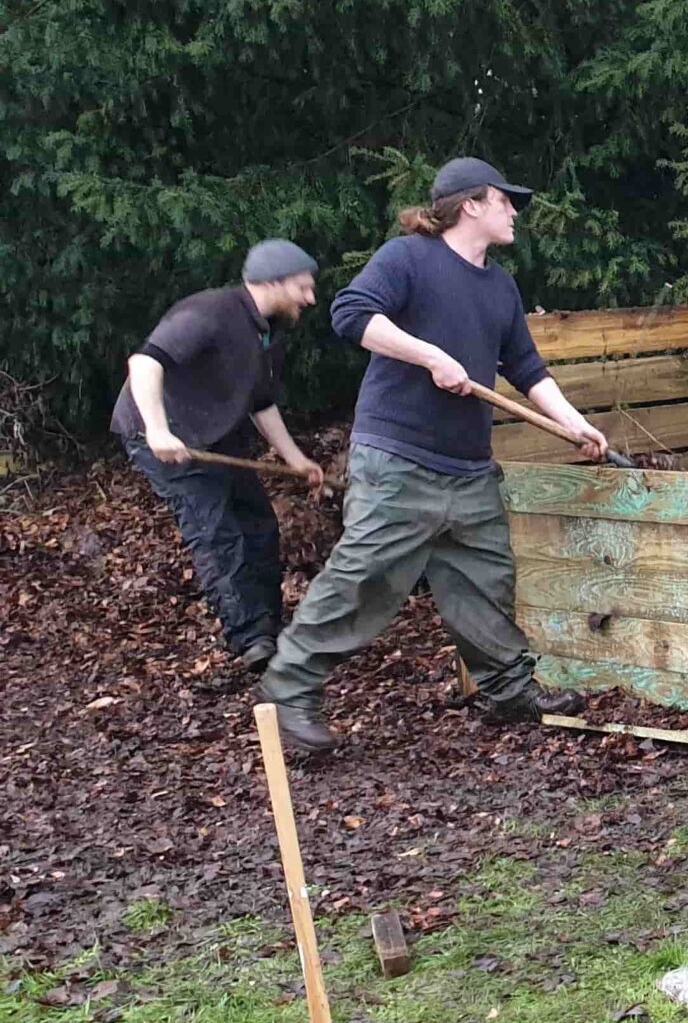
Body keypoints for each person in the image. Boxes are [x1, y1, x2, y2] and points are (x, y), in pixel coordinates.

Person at [257, 157, 609, 755]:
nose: (514, 211)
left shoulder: (499, 285)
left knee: (484, 580)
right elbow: (351, 315)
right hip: (398, 459)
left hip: (467, 467)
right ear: (471, 203)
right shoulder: (408, 259)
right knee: (364, 580)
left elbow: (524, 367)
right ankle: (288, 690)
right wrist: (428, 356)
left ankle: (507, 690)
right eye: (505, 200)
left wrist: (575, 424)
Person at [112, 240, 326, 671]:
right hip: (167, 436)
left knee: (259, 524)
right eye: (303, 288)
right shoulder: (209, 313)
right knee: (216, 532)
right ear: (275, 282)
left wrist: (294, 459)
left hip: (215, 434)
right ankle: (251, 643)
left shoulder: (266, 330)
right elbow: (145, 363)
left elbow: (261, 403)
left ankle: (270, 628)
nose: (311, 298)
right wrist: (157, 430)